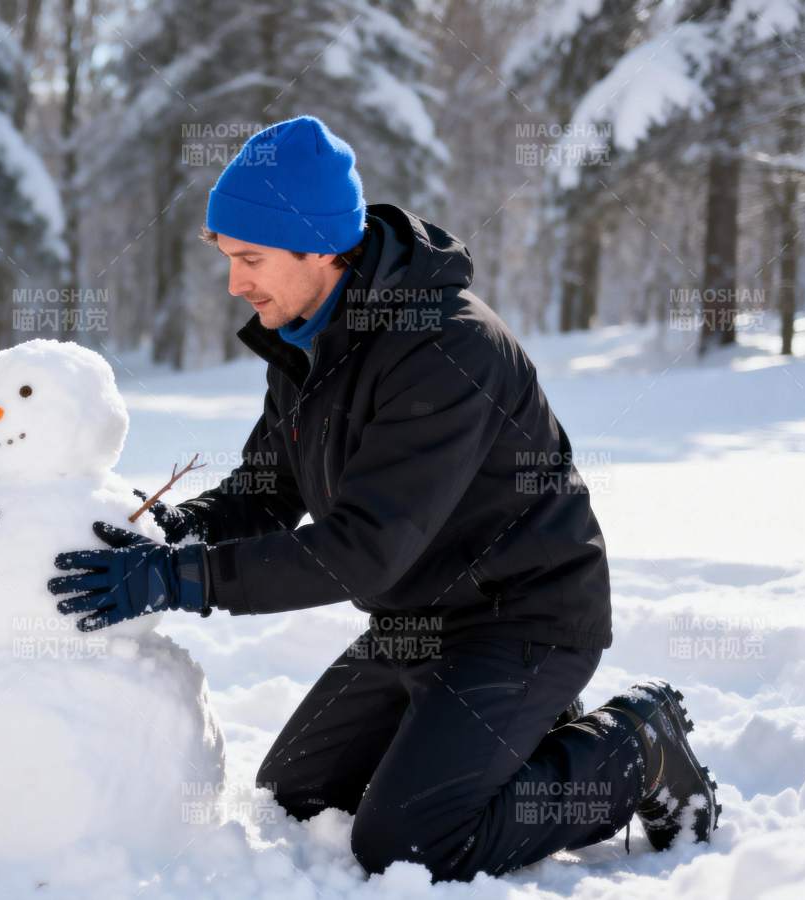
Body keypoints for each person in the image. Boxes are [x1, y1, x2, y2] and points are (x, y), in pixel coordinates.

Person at [48, 115, 719, 881]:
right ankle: (509, 740)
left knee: (408, 844)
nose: (237, 283)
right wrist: (169, 531)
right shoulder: (307, 333)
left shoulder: (444, 347)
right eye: (229, 259)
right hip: (416, 621)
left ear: (323, 249)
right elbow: (266, 492)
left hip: (525, 620)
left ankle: (635, 744)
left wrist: (182, 581)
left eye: (251, 259)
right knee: (295, 798)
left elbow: (362, 551)